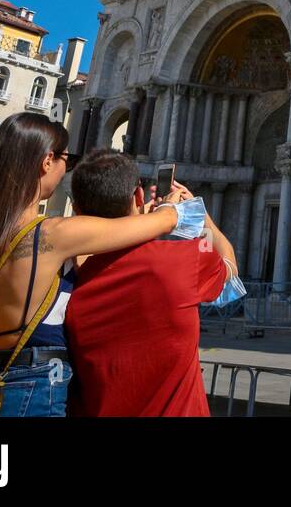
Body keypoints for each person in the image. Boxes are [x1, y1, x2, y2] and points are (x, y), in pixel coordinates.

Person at [0, 114, 184, 418]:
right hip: (32, 387)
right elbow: (166, 220)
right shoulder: (51, 235)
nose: (67, 168)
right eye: (67, 158)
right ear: (47, 161)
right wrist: (171, 203)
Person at [63, 149, 236, 417]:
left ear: (76, 209)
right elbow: (229, 270)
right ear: (138, 196)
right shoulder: (184, 262)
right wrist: (199, 217)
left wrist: (145, 217)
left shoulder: (71, 280)